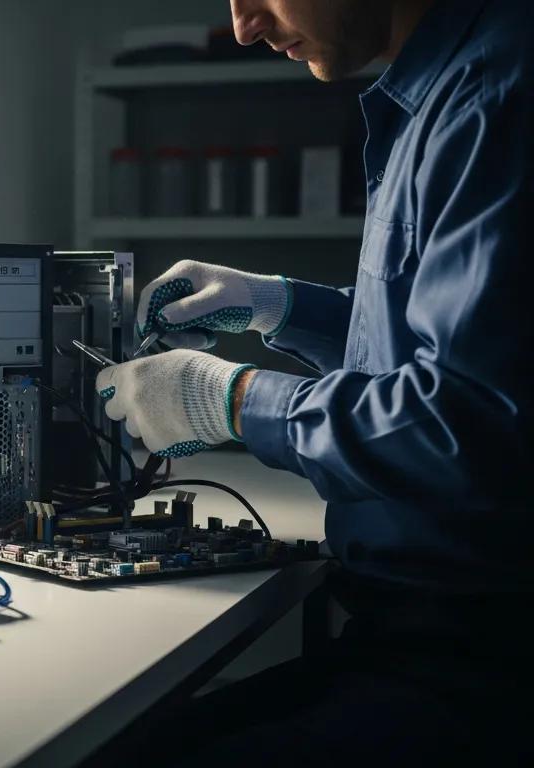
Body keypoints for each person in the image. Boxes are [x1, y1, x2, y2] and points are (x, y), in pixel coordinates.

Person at [95, 0, 533, 763]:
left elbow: (466, 421)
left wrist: (231, 400)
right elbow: (440, 345)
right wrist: (279, 306)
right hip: (412, 639)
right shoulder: (443, 85)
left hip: (482, 667)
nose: (244, 28)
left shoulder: (497, 92)